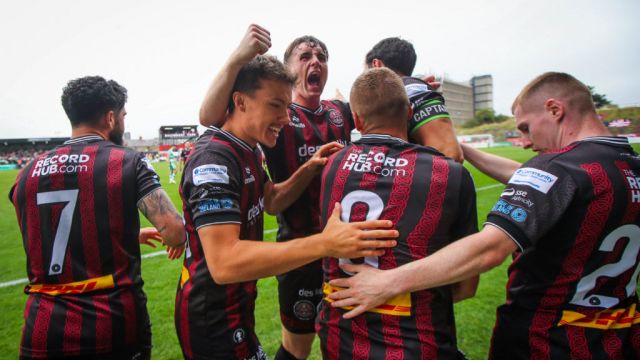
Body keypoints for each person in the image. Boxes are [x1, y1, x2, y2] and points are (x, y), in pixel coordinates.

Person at [327, 72, 640, 359]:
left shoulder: (557, 168)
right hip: (618, 337)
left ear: (555, 110)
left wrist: (387, 282)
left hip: (547, 338)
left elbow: (491, 249)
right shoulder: (624, 166)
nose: (527, 141)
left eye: (526, 128)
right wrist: (458, 148)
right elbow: (544, 184)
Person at [175, 54, 398, 360]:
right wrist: (325, 243)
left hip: (235, 308)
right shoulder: (214, 159)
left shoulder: (248, 150)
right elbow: (224, 262)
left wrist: (310, 167)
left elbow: (271, 200)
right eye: (275, 106)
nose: (285, 118)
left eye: (287, 106)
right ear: (240, 102)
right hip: (210, 318)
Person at [9, 76, 185, 360]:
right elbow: (175, 231)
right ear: (111, 118)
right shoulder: (126, 161)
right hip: (111, 324)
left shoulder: (27, 172)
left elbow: (48, 232)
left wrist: (125, 234)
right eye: (124, 115)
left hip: (42, 328)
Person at [316, 67, 478, 359]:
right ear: (409, 112)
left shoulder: (332, 165)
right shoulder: (449, 175)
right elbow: (467, 286)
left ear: (357, 120)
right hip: (419, 343)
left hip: (340, 339)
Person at [365, 37, 463, 163]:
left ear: (376, 65)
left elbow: (451, 155)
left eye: (367, 73)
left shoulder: (414, 90)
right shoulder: (399, 94)